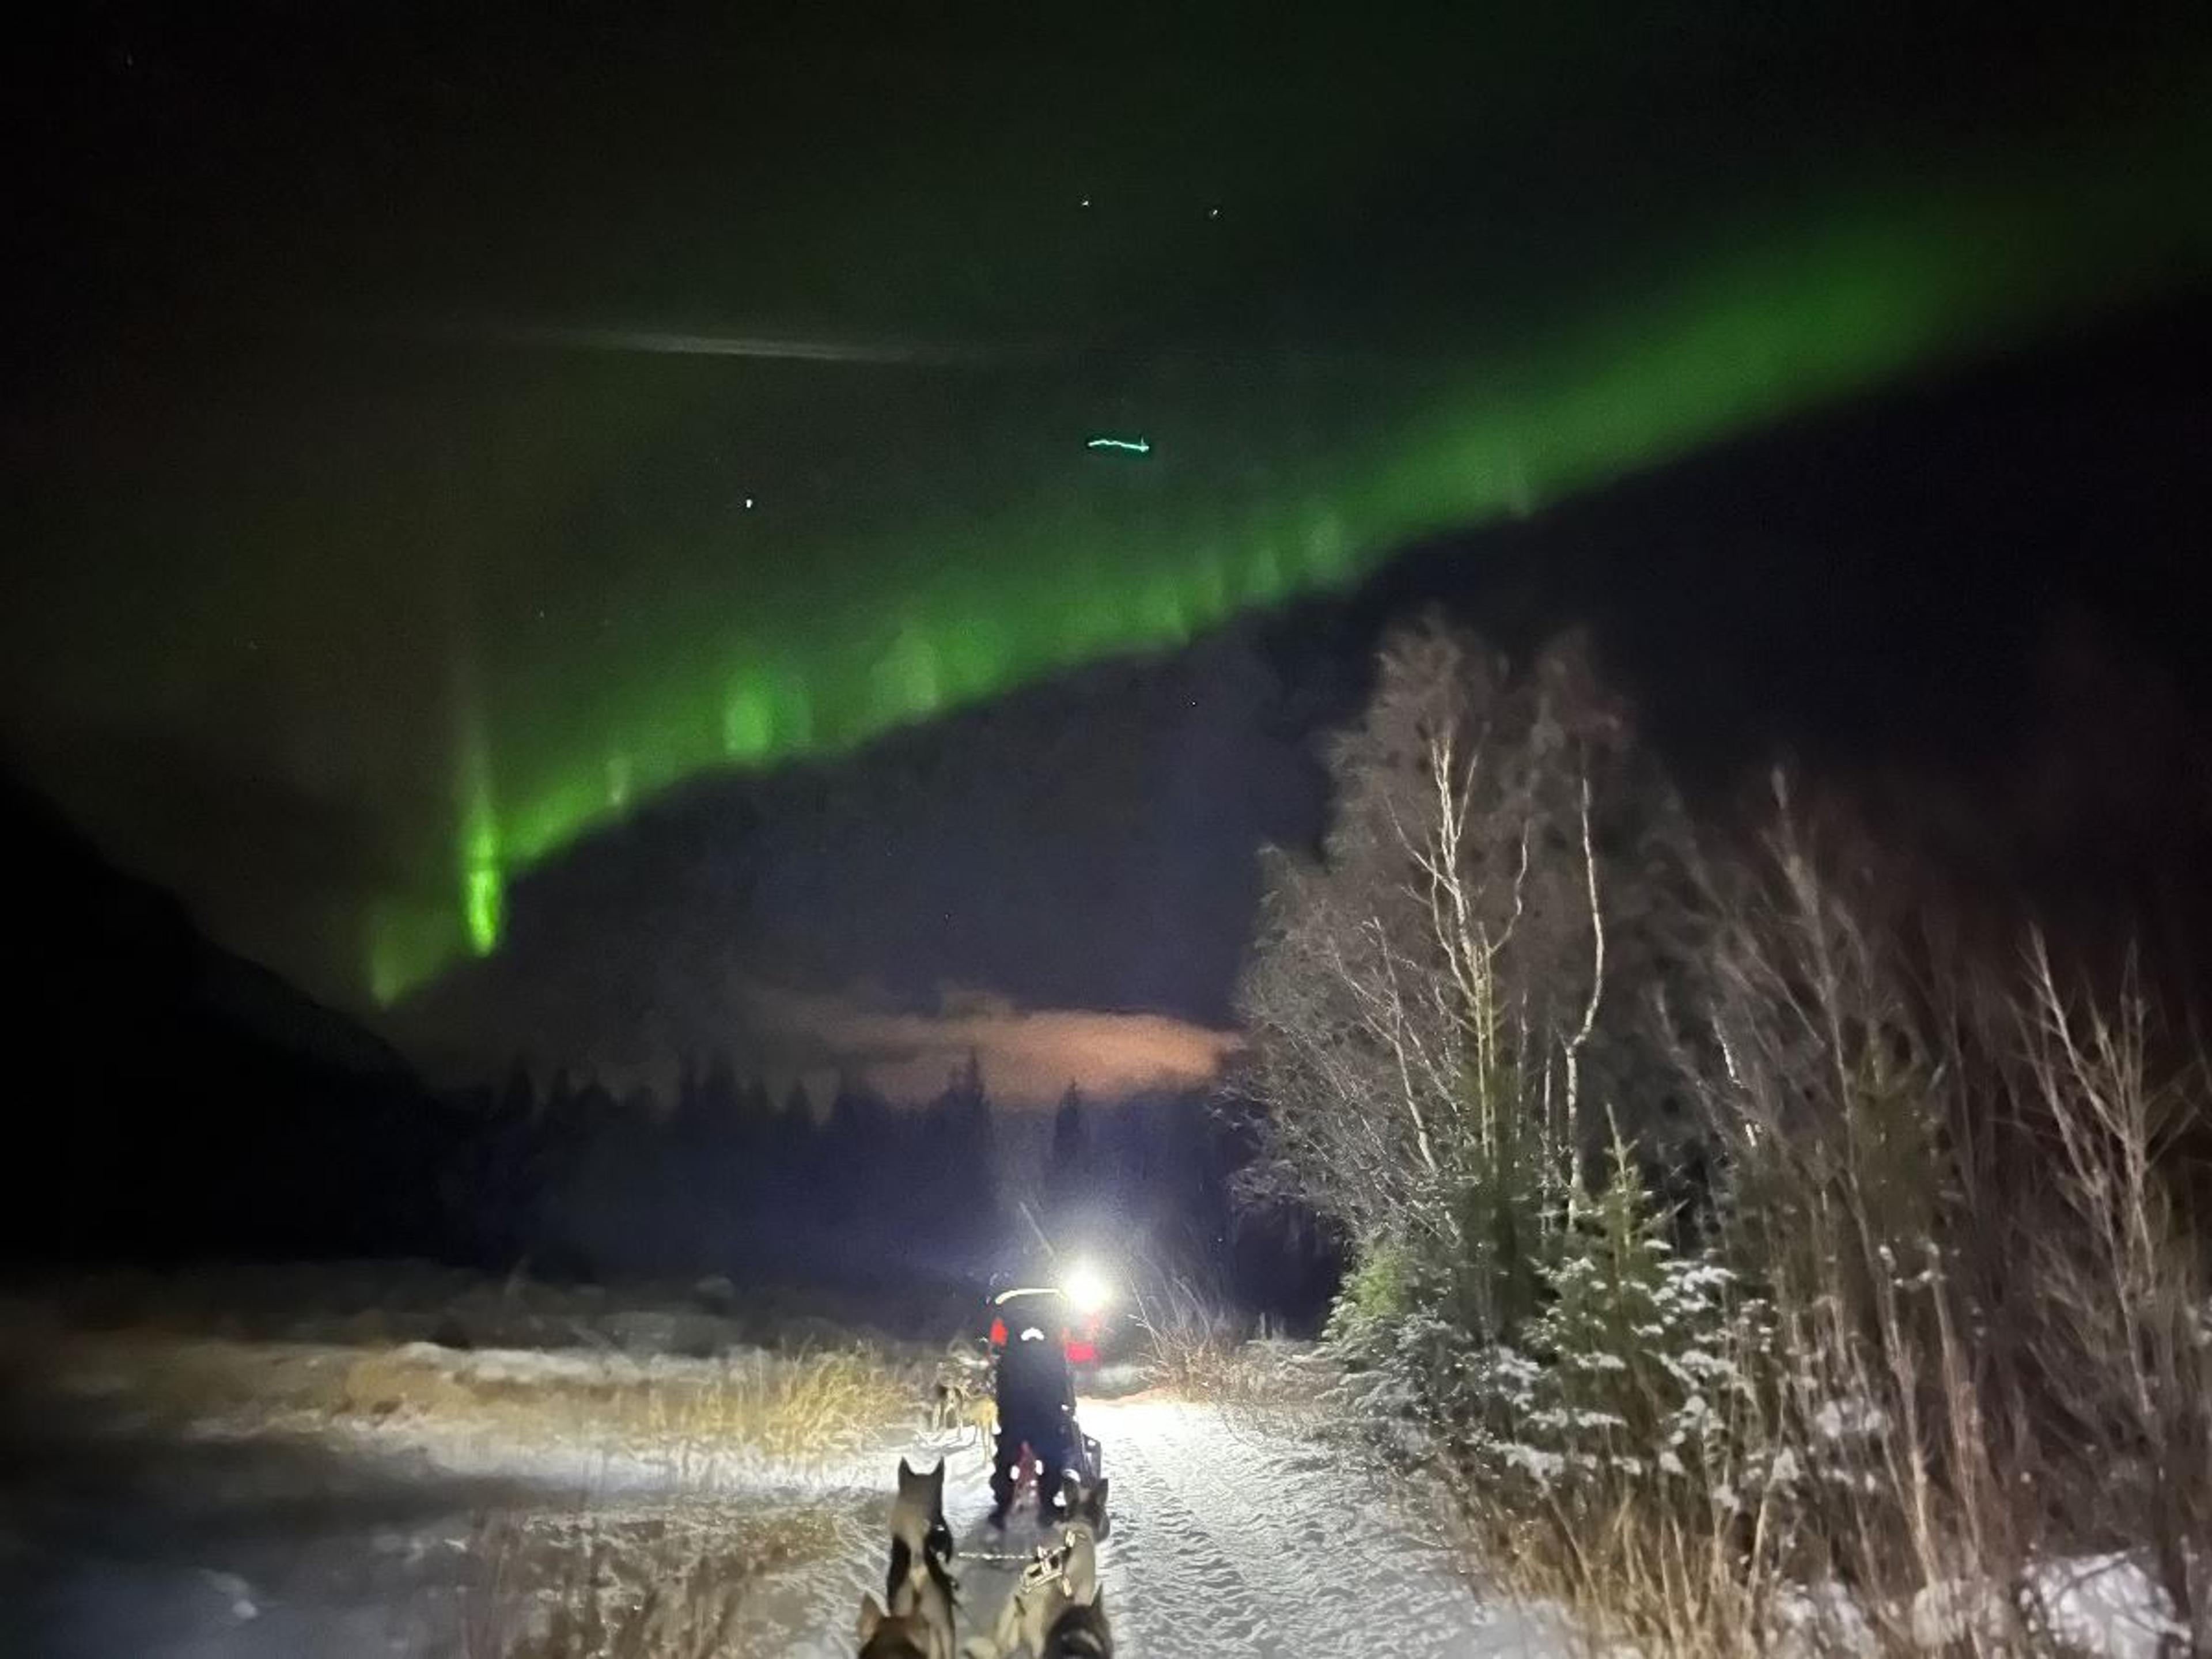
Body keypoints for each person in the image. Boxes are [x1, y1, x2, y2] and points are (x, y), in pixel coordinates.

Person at [986, 1291, 1078, 1529]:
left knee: (1007, 1456)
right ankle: (1046, 1504)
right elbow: (1062, 1383)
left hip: (1017, 1412)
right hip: (1044, 1412)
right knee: (1053, 1455)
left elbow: (1001, 1383)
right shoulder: (1052, 1354)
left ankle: (1004, 1504)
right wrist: (1067, 1405)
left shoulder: (1010, 1353)